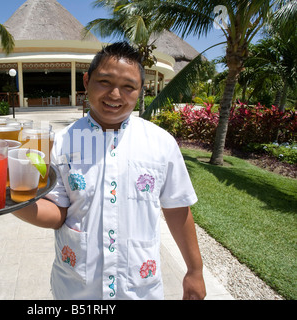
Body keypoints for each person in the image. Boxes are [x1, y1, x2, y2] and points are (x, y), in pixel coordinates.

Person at [12, 42, 206, 300]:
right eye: (104, 82)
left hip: (139, 290)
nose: (115, 95)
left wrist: (195, 270)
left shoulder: (161, 143)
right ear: (86, 81)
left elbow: (177, 208)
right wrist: (10, 200)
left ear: (140, 90)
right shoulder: (60, 142)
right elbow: (58, 212)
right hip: (76, 289)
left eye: (128, 87)